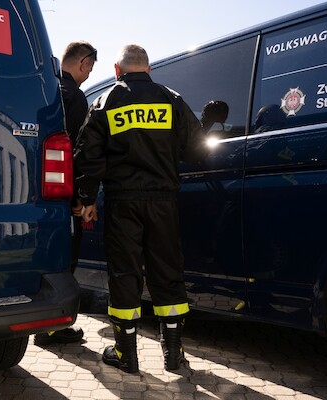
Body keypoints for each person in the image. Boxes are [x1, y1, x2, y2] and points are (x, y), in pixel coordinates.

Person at [73, 44, 203, 373]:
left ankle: (125, 354)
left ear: (117, 71)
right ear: (148, 70)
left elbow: (88, 157)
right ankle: (173, 355)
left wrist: (87, 199)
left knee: (125, 273)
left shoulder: (105, 101)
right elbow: (197, 150)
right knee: (168, 273)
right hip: (163, 202)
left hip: (123, 203)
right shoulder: (172, 100)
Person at [34, 41, 97, 346]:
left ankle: (42, 321)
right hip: (62, 195)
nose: (88, 74)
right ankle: (53, 328)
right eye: (91, 68)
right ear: (84, 63)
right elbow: (77, 153)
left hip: (35, 194)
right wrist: (80, 199)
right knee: (66, 257)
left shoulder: (46, 90)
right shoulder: (75, 96)